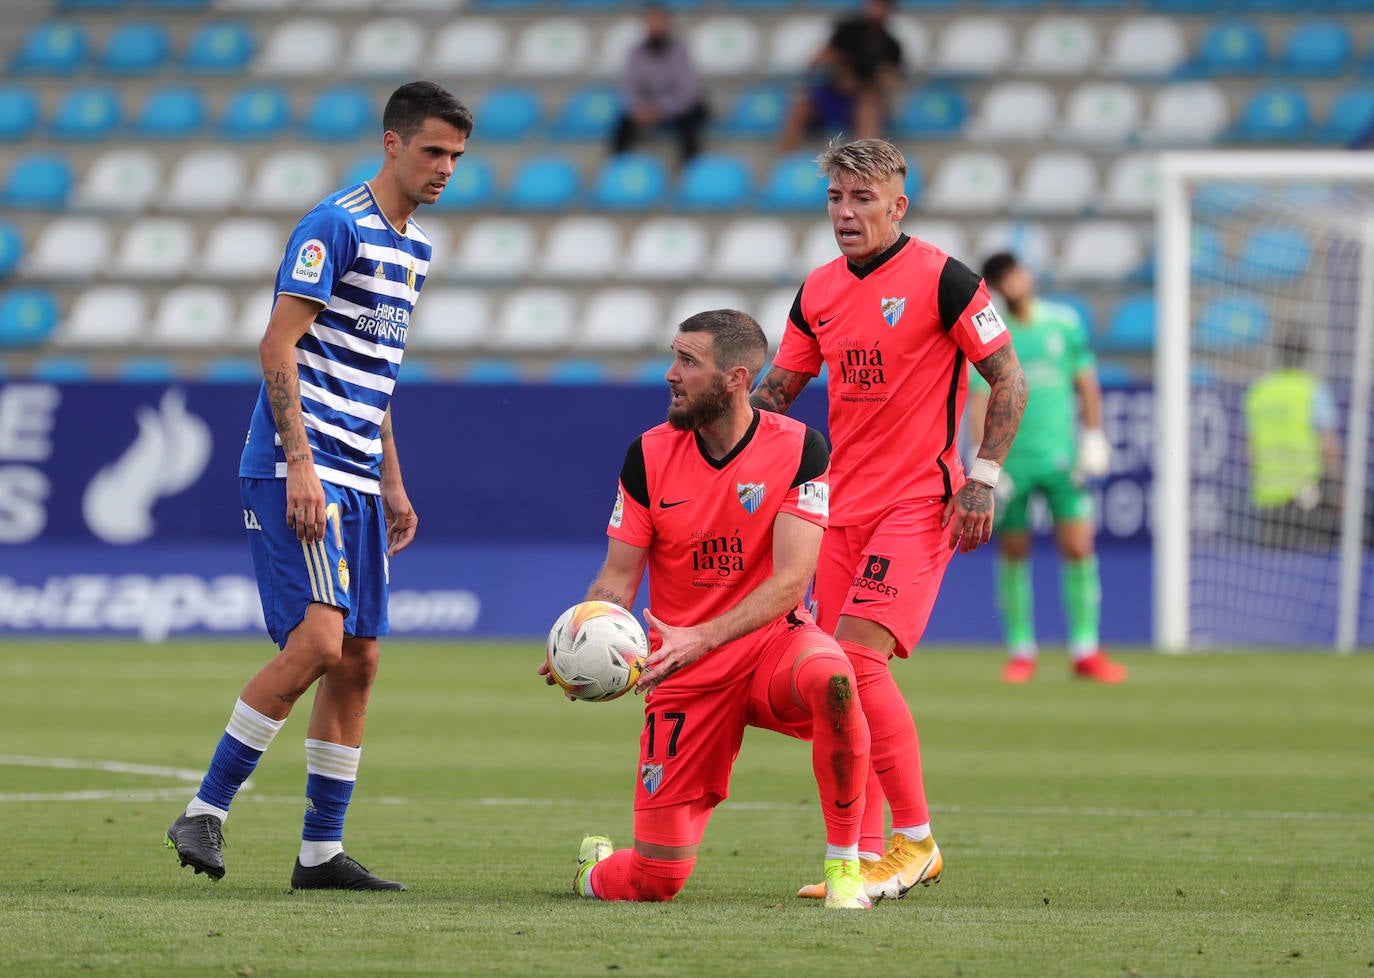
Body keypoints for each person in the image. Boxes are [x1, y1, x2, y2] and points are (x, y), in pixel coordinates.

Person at [164, 81, 473, 891]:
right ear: (392, 142)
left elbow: (375, 378)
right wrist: (300, 460)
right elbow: (277, 344)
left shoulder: (416, 249)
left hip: (360, 477)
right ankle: (206, 808)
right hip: (296, 468)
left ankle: (320, 854)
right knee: (318, 643)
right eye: (434, 151)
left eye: (457, 157)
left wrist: (393, 482)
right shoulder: (335, 225)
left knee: (360, 660)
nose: (445, 168)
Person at [750, 137, 1027, 902]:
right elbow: (778, 396)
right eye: (835, 198)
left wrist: (981, 478)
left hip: (919, 499)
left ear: (897, 205)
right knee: (836, 679)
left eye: (862, 199)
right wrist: (710, 440)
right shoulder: (817, 291)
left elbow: (1008, 377)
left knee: (860, 662)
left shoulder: (944, 280)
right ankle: (865, 856)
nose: (845, 212)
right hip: (840, 508)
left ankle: (915, 843)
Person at [539, 309, 875, 910]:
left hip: (773, 645)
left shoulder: (801, 448)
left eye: (688, 362)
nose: (671, 374)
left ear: (735, 378)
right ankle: (595, 869)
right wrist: (583, 635)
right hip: (683, 670)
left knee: (836, 679)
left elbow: (792, 581)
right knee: (656, 881)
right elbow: (618, 578)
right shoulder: (647, 455)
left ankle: (846, 868)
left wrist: (707, 635)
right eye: (673, 357)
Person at [970, 252, 1127, 684]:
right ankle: (1021, 650)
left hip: (1061, 458)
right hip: (1013, 462)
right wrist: (981, 458)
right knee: (1015, 552)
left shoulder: (1063, 322)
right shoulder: (992, 332)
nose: (1014, 283)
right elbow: (979, 396)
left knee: (1078, 547)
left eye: (1016, 274)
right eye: (1004, 279)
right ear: (998, 287)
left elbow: (1086, 382)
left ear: (1027, 275)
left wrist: (1093, 436)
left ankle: (1085, 649)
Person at [1244, 332, 1343, 550]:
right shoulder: (1312, 390)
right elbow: (1329, 446)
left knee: (1274, 569)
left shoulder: (1259, 391)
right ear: (1305, 357)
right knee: (1309, 567)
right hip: (1306, 494)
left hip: (1268, 496)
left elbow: (1250, 449)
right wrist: (1339, 487)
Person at [779, 0, 903, 152]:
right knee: (801, 106)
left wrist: (874, 79)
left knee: (869, 109)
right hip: (833, 92)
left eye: (881, 6)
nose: (875, 11)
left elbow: (891, 79)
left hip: (862, 98)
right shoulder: (847, 31)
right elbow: (816, 61)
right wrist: (839, 64)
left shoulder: (891, 45)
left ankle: (865, 164)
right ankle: (787, 159)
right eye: (873, 5)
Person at [610, 4, 709, 165]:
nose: (655, 26)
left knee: (689, 122)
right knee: (622, 124)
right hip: (647, 108)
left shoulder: (680, 50)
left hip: (675, 107)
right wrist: (640, 109)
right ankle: (618, 169)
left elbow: (687, 91)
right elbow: (629, 87)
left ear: (667, 23)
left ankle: (691, 171)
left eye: (659, 21)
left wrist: (660, 109)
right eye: (651, 21)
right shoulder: (636, 52)